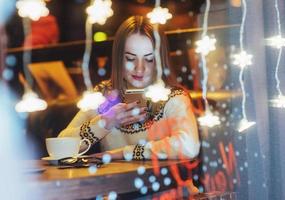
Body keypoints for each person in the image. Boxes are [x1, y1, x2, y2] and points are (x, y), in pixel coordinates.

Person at [59, 15, 200, 161]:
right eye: (130, 58)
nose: (140, 68)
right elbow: (61, 149)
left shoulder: (173, 97)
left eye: (149, 59)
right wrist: (105, 122)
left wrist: (124, 153)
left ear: (160, 59)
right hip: (114, 183)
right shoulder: (104, 95)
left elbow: (189, 147)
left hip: (164, 183)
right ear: (119, 58)